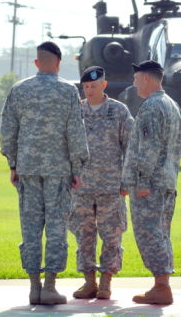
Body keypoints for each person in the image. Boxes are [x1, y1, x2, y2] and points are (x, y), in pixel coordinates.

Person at [0, 41, 89, 305]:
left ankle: (33, 286)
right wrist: (77, 168)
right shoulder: (67, 91)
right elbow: (75, 132)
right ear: (59, 63)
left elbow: (8, 130)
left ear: (37, 63)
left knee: (30, 228)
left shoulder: (20, 89)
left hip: (27, 170)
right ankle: (50, 286)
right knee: (56, 228)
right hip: (59, 171)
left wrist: (13, 164)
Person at [121, 60, 181, 306]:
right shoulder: (172, 105)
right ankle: (161, 284)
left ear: (146, 78)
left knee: (149, 233)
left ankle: (161, 286)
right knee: (161, 233)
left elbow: (148, 148)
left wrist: (143, 181)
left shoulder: (151, 107)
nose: (134, 83)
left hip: (151, 184)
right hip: (167, 181)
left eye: (136, 78)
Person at [69, 66, 133, 300]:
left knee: (112, 235)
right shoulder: (75, 111)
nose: (89, 91)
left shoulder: (118, 111)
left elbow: (130, 147)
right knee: (83, 234)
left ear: (103, 86)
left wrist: (127, 179)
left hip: (111, 187)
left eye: (93, 86)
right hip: (81, 187)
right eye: (85, 87)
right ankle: (89, 282)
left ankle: (106, 281)